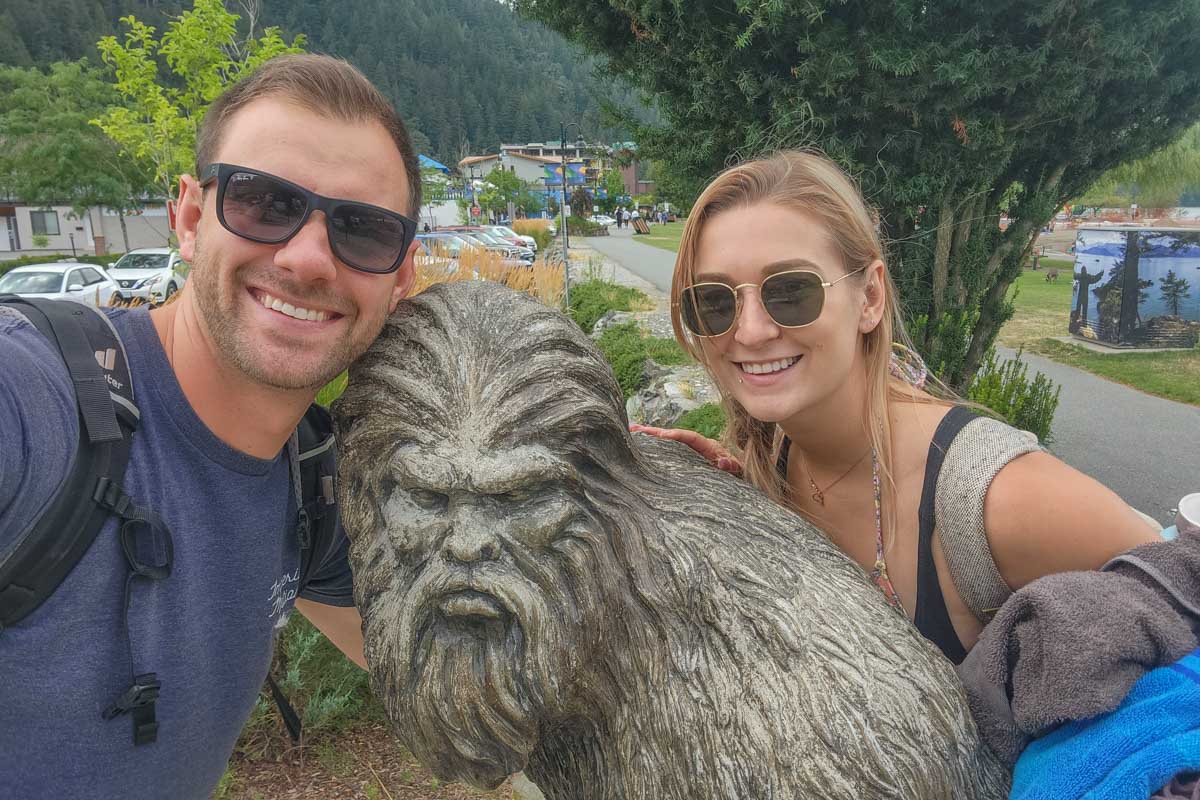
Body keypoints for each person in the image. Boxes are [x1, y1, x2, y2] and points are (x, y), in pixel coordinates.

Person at [0, 55, 421, 798]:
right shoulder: (32, 406)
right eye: (265, 204)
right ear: (191, 218)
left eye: (363, 230)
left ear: (403, 276)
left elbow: (439, 675)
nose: (308, 259)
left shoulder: (311, 486)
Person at [634, 150, 1160, 663]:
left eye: (791, 292)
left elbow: (1181, 585)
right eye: (715, 301)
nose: (749, 331)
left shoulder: (994, 500)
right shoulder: (774, 456)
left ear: (870, 299)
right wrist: (725, 496)